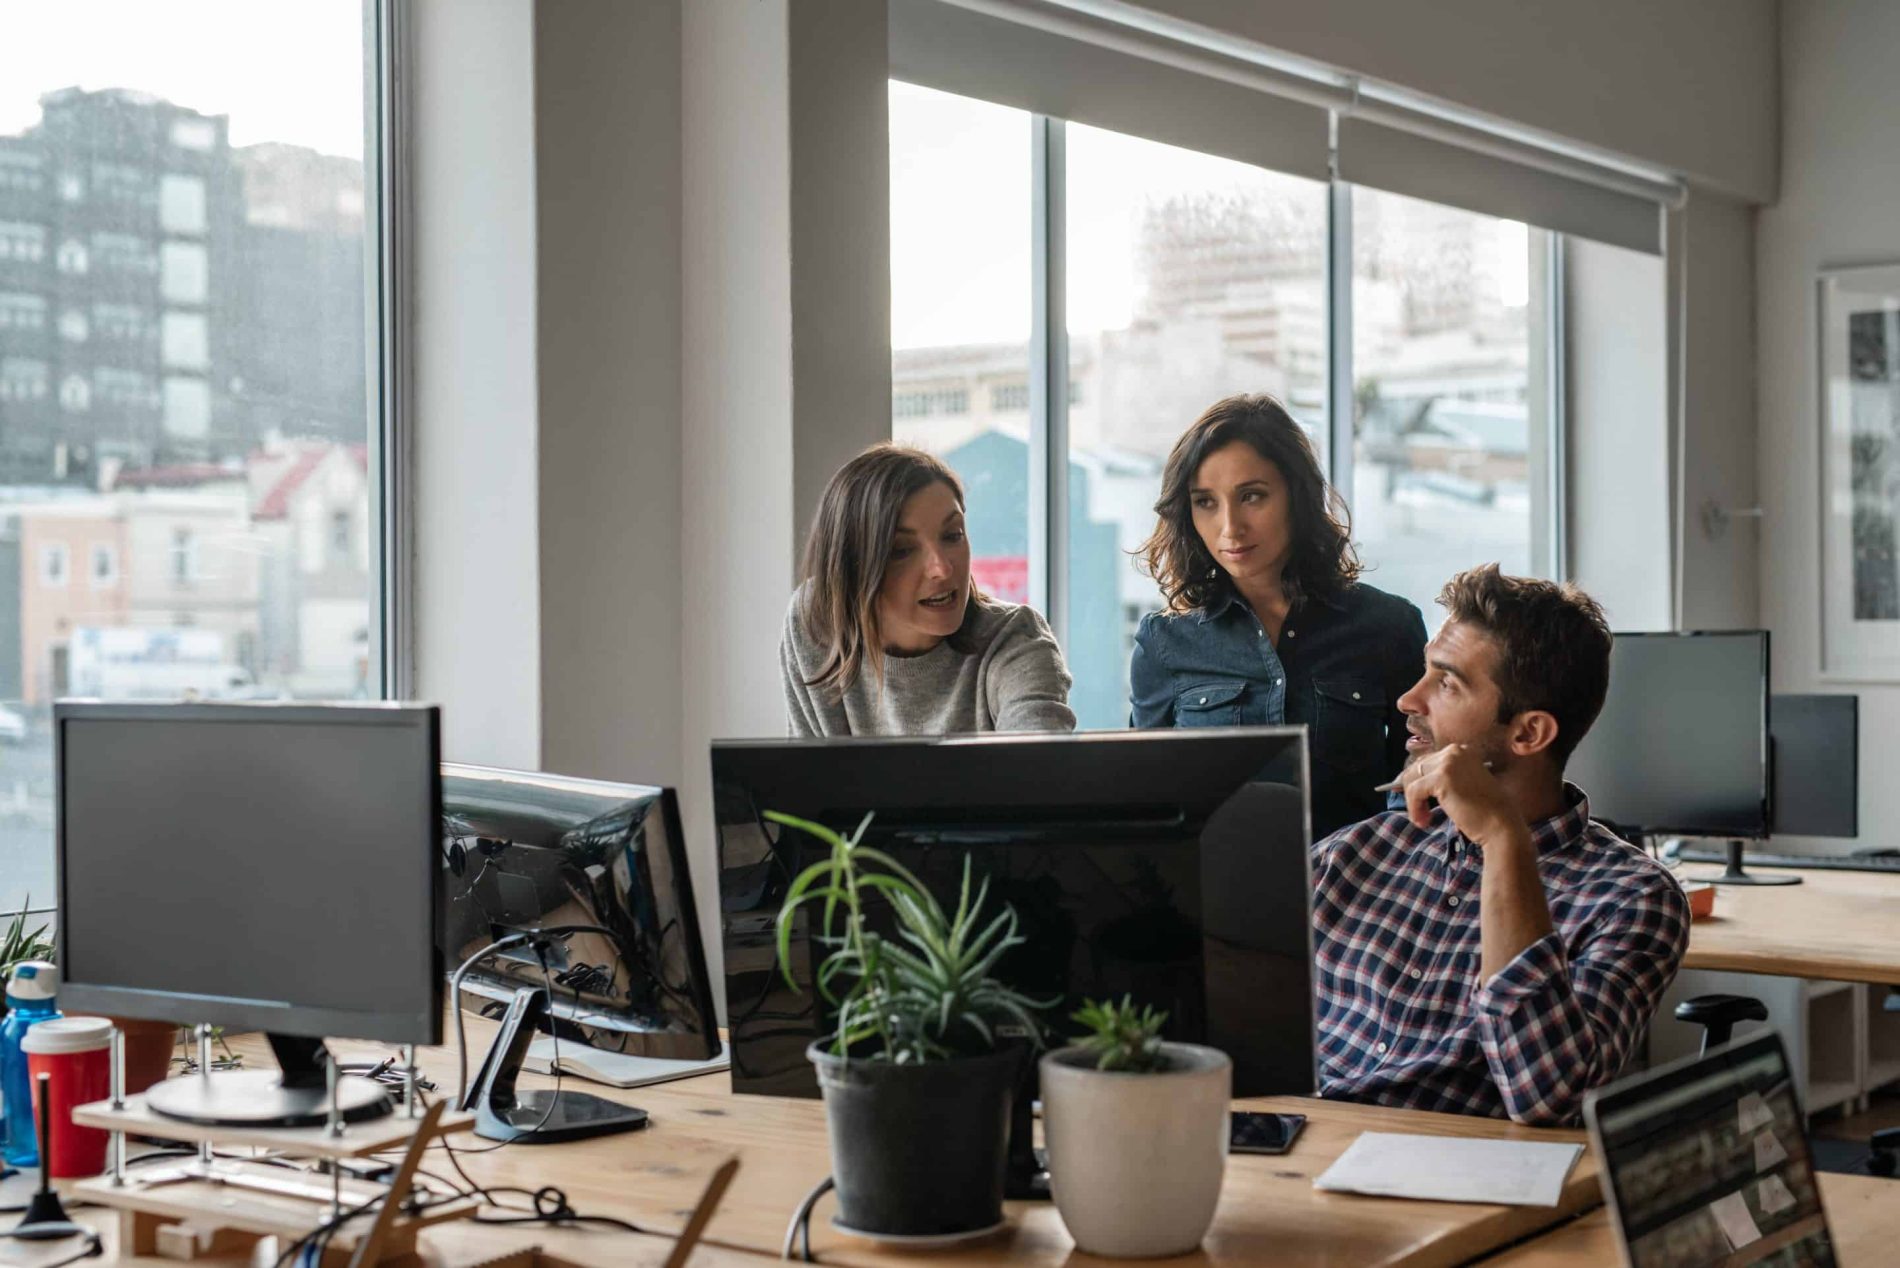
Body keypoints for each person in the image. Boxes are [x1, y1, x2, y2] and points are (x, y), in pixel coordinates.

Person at [1312, 565, 1690, 1126]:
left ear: (1528, 734)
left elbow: (1548, 1097)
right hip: (1294, 1162)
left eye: (1446, 683)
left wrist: (1501, 838)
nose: (1407, 701)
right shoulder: (1355, 856)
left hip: (1451, 1185)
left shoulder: (1632, 900)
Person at [1130, 394, 1426, 838]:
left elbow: (1420, 781)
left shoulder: (1389, 627)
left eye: (1251, 496)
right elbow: (1146, 803)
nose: (1230, 527)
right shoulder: (1164, 643)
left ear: (1297, 495)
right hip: (1216, 895)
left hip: (1362, 896)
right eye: (1205, 502)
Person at [780, 443, 1075, 736]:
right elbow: (808, 776)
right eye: (902, 550)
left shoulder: (1015, 640)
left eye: (952, 535)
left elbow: (1038, 768)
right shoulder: (814, 621)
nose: (943, 569)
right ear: (852, 565)